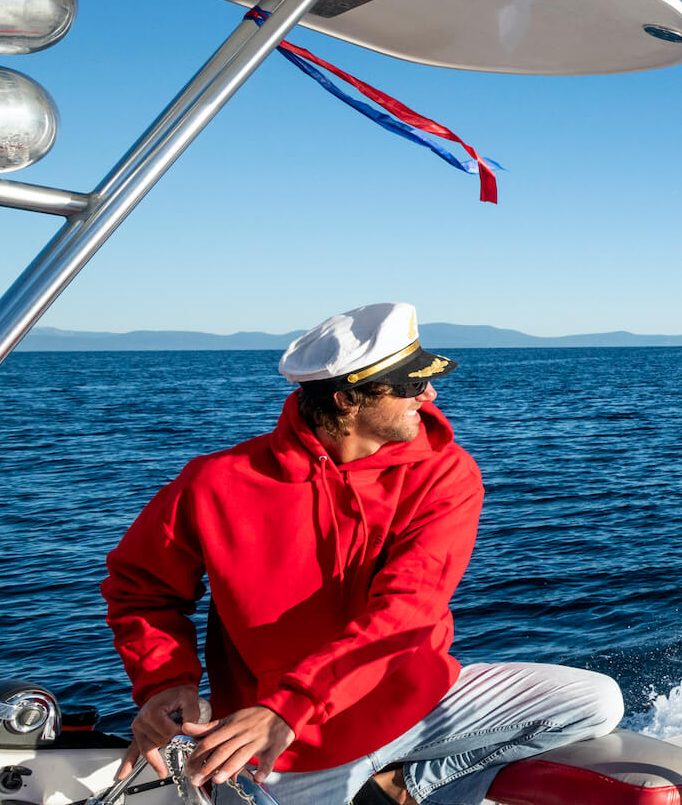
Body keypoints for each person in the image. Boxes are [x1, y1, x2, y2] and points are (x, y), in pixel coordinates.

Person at [102, 303, 621, 805]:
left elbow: (406, 611)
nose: (431, 393)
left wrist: (291, 705)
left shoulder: (443, 471)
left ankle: (405, 785)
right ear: (348, 400)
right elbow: (141, 589)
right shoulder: (215, 482)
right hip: (284, 744)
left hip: (415, 700)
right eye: (412, 384)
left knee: (596, 702)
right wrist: (166, 681)